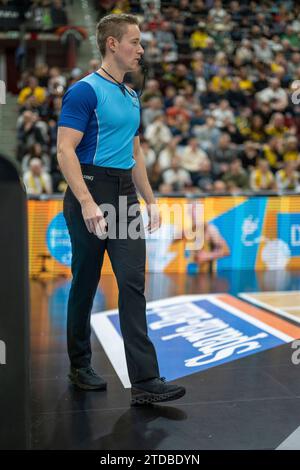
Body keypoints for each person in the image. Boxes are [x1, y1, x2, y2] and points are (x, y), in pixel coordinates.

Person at [57, 13, 185, 406]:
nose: (141, 49)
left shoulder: (131, 94)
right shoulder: (84, 91)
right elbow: (65, 150)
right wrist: (86, 202)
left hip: (125, 194)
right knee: (86, 281)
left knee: (132, 283)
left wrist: (151, 199)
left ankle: (145, 381)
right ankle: (80, 364)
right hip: (91, 192)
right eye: (135, 41)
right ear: (112, 44)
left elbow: (135, 150)